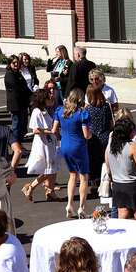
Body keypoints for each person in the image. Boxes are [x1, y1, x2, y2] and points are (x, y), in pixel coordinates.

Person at [106, 116, 136, 220]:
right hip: (135, 186)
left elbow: (108, 167)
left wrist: (111, 179)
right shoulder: (133, 146)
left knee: (123, 217)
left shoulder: (110, 146)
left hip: (118, 185)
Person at [23, 88, 61, 202]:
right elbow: (35, 130)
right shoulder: (37, 112)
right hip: (43, 144)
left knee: (53, 168)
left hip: (50, 142)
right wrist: (50, 131)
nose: (51, 97)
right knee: (48, 169)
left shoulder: (45, 110)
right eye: (48, 96)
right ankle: (31, 187)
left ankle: (51, 192)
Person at [59, 88, 92, 217]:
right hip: (78, 146)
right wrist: (90, 135)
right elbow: (86, 134)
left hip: (65, 145)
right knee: (84, 177)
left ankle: (69, 204)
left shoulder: (61, 111)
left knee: (72, 175)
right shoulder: (82, 114)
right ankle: (81, 208)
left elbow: (55, 128)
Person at [85, 84, 113, 181]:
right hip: (105, 136)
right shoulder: (106, 106)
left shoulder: (88, 109)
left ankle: (94, 181)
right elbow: (111, 123)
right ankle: (105, 179)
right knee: (105, 160)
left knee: (93, 161)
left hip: (93, 138)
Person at [4, 54, 33, 143]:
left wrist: (32, 95)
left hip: (23, 104)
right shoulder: (9, 74)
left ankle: (20, 144)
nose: (16, 64)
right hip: (15, 105)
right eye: (14, 63)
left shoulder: (17, 73)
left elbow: (24, 85)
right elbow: (18, 88)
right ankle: (15, 145)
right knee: (16, 126)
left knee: (22, 126)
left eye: (17, 62)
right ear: (9, 64)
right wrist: (27, 92)